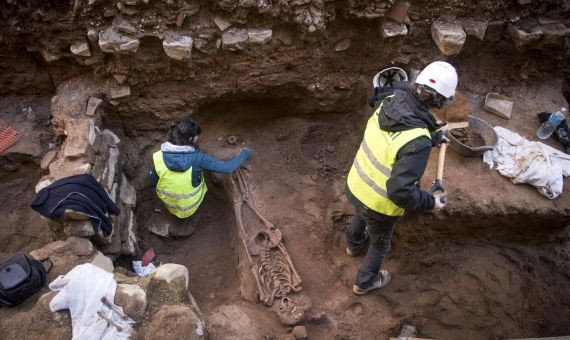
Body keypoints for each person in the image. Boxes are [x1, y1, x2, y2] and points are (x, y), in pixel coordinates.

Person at [345, 61, 457, 295]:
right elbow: (401, 192)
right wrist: (431, 202)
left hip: (357, 184)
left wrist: (432, 137)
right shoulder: (418, 142)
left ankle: (353, 245)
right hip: (380, 205)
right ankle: (365, 282)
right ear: (438, 101)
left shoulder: (388, 101)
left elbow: (397, 137)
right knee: (379, 242)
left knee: (360, 213)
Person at [150, 117, 250, 218]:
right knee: (200, 173)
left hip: (170, 204)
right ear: (190, 139)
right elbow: (227, 168)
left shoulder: (158, 156)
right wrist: (245, 153)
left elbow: (152, 182)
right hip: (191, 206)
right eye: (197, 136)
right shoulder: (198, 158)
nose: (198, 139)